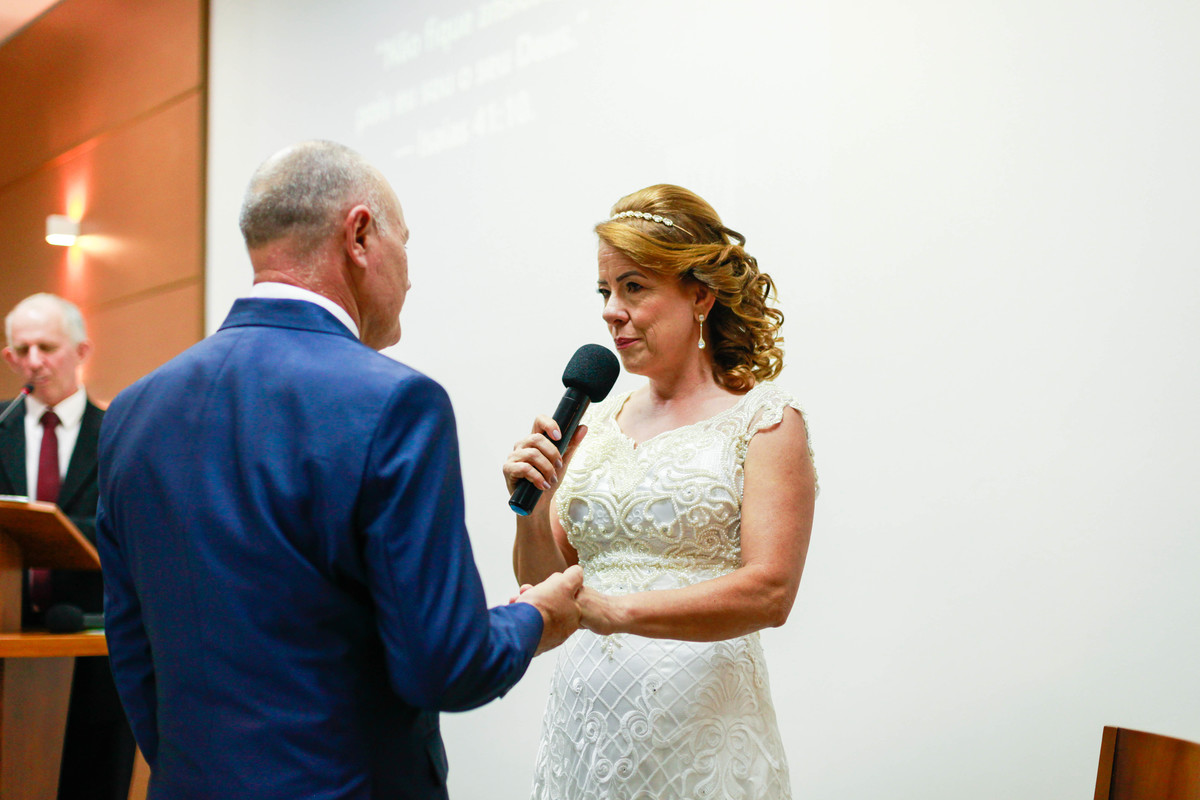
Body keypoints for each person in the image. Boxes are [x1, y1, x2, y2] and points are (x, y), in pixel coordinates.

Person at [96, 140, 582, 800]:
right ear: (359, 236)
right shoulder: (396, 403)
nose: (409, 275)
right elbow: (445, 665)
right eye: (404, 242)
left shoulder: (132, 412)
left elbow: (132, 653)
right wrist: (537, 617)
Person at [504, 184, 818, 799]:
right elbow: (548, 588)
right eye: (604, 290)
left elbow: (771, 592)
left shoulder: (765, 422)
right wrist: (532, 510)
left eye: (633, 287)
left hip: (700, 739)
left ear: (700, 295)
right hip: (584, 732)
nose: (610, 311)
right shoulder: (597, 424)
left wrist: (617, 612)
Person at [0, 293, 136, 800]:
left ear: (81, 351)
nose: (34, 361)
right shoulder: (1, 426)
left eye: (47, 347)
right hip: (8, 643)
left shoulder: (121, 434)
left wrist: (54, 530)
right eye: (22, 350)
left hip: (93, 643)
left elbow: (132, 528)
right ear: (10, 358)